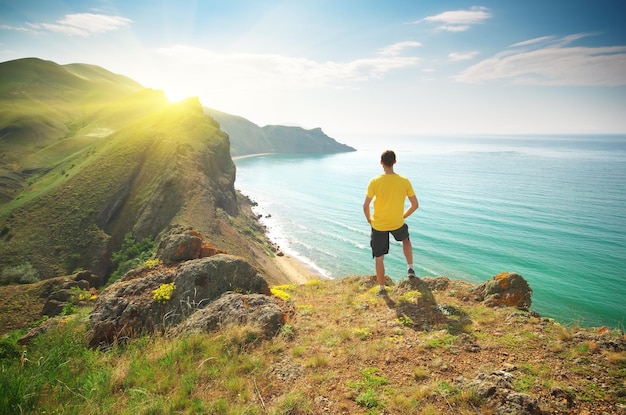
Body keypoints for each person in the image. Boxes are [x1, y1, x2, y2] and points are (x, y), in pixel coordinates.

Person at [363, 150, 419, 296]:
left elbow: (365, 206)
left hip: (378, 225)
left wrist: (370, 220)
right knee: (405, 239)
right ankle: (410, 268)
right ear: (395, 162)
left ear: (381, 162)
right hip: (397, 222)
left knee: (379, 258)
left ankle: (382, 289)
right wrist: (402, 216)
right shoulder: (404, 181)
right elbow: (414, 204)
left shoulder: (374, 182)